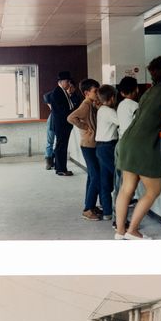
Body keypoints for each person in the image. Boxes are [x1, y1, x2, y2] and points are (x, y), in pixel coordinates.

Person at [114, 56, 161, 240]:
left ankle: (120, 231)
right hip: (144, 145)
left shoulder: (147, 93)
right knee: (153, 190)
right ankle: (132, 230)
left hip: (127, 142)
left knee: (126, 188)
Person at [68, 78, 102, 221]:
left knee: (92, 176)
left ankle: (90, 205)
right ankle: (88, 210)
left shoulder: (92, 104)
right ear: (87, 93)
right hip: (88, 145)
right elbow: (71, 117)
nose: (98, 93)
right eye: (95, 91)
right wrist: (86, 128)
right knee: (96, 176)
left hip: (90, 145)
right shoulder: (86, 105)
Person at [112, 76, 139, 229]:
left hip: (119, 144)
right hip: (130, 146)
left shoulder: (121, 105)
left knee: (118, 184)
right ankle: (121, 222)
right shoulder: (135, 105)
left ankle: (117, 219)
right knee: (125, 185)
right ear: (136, 89)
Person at [95, 84, 119, 221]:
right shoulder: (109, 111)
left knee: (105, 181)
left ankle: (107, 212)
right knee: (118, 179)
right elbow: (122, 122)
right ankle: (119, 217)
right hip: (108, 147)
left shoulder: (101, 110)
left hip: (100, 147)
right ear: (112, 98)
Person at [50, 71, 80, 176]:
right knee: (61, 147)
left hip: (63, 124)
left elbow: (68, 106)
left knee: (61, 146)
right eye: (67, 81)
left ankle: (59, 168)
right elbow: (64, 111)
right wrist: (75, 112)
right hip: (62, 124)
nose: (69, 83)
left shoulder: (63, 91)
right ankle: (61, 169)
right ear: (61, 81)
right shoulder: (57, 92)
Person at [43, 90, 56, 169]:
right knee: (50, 142)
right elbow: (45, 95)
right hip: (52, 119)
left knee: (58, 143)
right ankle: (48, 162)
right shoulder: (52, 99)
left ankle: (53, 160)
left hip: (59, 120)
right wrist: (50, 105)